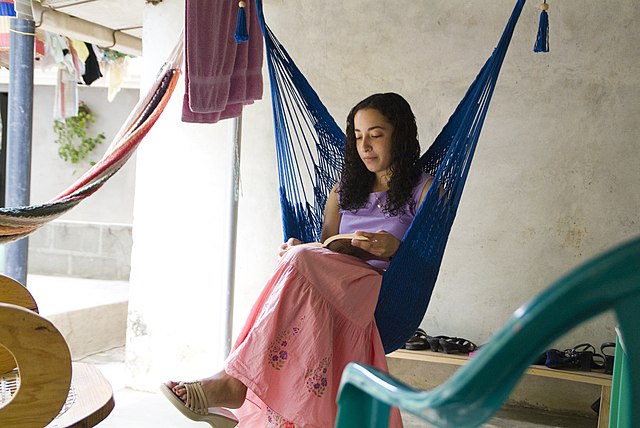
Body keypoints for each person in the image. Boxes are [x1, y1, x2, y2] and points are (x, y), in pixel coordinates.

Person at [161, 92, 434, 427]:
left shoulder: (424, 189)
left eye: (376, 135)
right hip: (334, 283)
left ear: (400, 135)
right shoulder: (343, 190)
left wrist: (394, 247)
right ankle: (238, 383)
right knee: (298, 255)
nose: (365, 146)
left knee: (302, 258)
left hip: (377, 289)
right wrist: (298, 247)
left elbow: (426, 255)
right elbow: (326, 246)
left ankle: (234, 381)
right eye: (359, 137)